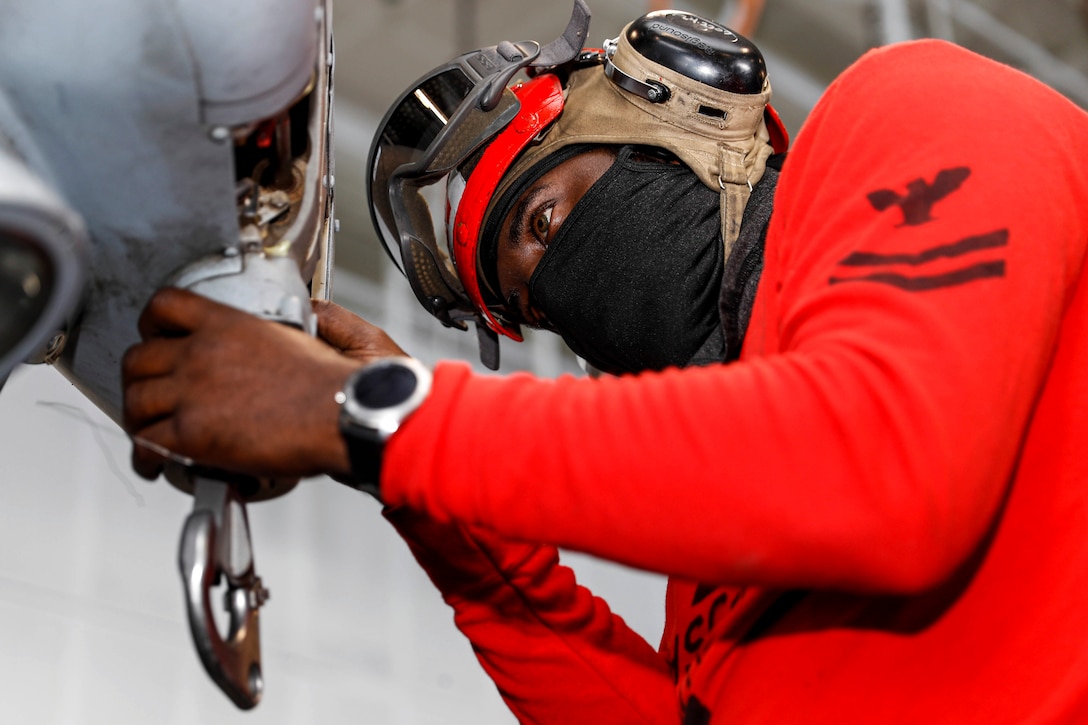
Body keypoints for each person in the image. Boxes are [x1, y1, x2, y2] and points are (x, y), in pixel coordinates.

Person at [122, 4, 1088, 723]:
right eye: (535, 304)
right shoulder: (713, 574)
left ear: (683, 111)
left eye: (547, 220)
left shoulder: (911, 104)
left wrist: (371, 412)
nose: (565, 296)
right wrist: (433, 511)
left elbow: (885, 467)